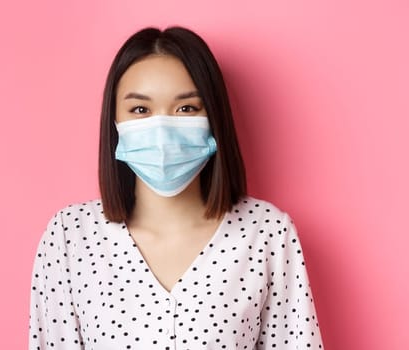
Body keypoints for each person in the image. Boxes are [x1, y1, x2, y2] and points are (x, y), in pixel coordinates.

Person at [27, 26, 324, 349]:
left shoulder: (266, 232)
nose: (162, 127)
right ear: (115, 123)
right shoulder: (70, 236)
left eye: (186, 109)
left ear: (214, 118)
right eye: (140, 110)